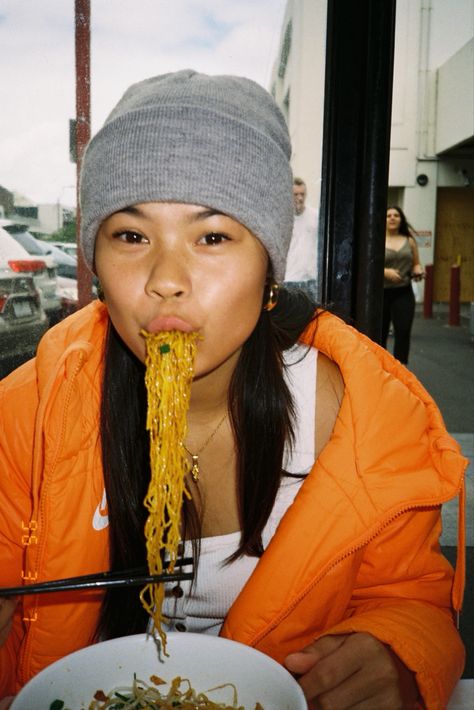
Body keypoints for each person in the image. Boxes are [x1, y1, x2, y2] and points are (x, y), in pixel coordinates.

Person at [0, 70, 467, 709]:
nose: (167, 279)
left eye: (213, 236)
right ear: (95, 262)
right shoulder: (30, 410)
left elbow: (410, 597)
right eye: (131, 236)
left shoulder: (365, 424)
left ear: (269, 266)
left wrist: (399, 652)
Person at [383, 205, 425, 364]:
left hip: (403, 292)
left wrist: (418, 271)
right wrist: (385, 272)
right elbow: (369, 264)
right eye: (388, 216)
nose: (392, 218)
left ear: (401, 219)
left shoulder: (409, 241)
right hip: (381, 293)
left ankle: (400, 368)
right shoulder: (377, 239)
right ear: (384, 220)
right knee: (380, 332)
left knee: (403, 331)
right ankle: (380, 367)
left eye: (396, 215)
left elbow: (416, 264)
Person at [283, 177, 319, 300]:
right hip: (289, 279)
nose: (300, 198)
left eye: (302, 194)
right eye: (296, 194)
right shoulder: (284, 218)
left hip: (311, 280)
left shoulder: (315, 216)